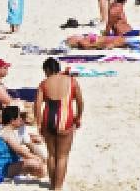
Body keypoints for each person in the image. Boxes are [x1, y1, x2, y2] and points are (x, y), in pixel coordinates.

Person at [34, 57, 81, 190]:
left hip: (48, 120)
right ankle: (58, 187)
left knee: (51, 154)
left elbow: (37, 105)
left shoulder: (44, 84)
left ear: (48, 70)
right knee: (62, 156)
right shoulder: (72, 81)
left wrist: (38, 123)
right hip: (65, 121)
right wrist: (79, 117)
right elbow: (80, 101)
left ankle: (52, 184)